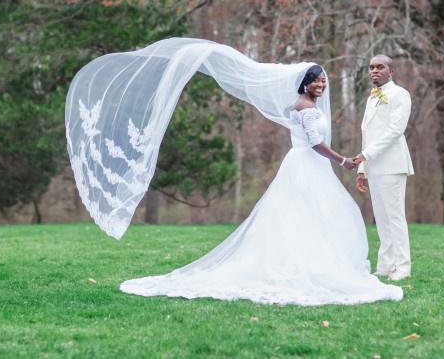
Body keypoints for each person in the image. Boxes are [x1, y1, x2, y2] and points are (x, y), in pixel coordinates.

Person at [66, 38, 403, 306]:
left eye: (322, 80)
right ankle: (308, 266)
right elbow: (315, 144)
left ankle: (307, 261)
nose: (320, 85)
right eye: (315, 81)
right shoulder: (306, 110)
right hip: (307, 164)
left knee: (302, 216)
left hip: (300, 165)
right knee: (317, 214)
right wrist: (343, 161)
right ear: (303, 84)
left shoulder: (300, 107)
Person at [352, 55, 414, 281]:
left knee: (395, 217)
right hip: (374, 165)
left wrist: (365, 155)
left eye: (380, 67)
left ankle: (402, 267)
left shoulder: (400, 95)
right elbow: (367, 133)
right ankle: (385, 265)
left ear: (391, 71)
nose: (374, 71)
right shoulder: (371, 98)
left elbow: (395, 131)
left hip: (393, 164)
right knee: (382, 217)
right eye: (371, 67)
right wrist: (362, 169)